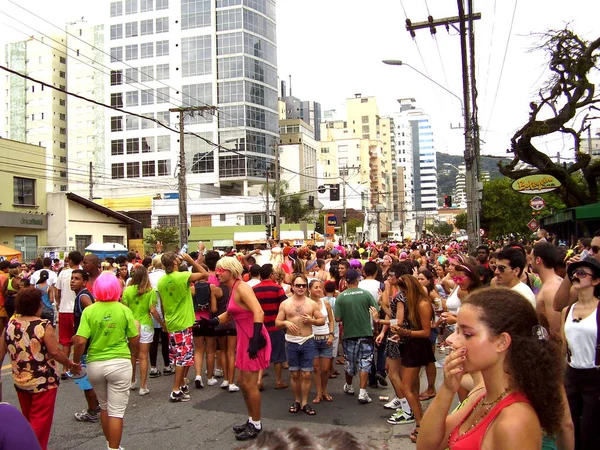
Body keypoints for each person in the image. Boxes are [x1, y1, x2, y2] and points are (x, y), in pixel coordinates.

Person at [417, 288, 564, 450]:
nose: (452, 340)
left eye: (467, 334)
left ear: (502, 342)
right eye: (456, 330)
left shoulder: (515, 422)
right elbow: (427, 445)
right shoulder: (483, 394)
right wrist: (447, 388)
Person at [0, 287, 78, 450]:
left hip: (21, 380)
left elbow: (1, 352)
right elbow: (55, 352)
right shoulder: (43, 325)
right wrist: (70, 364)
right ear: (36, 306)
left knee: (28, 419)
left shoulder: (11, 324)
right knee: (40, 424)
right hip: (44, 382)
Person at [73, 272, 140, 450]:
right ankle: (114, 448)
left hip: (95, 363)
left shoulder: (89, 310)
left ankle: (110, 444)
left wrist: (75, 362)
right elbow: (134, 338)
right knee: (117, 411)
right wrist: (134, 354)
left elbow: (80, 341)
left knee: (104, 407)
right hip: (120, 362)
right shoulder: (124, 310)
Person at [207, 257, 271, 441]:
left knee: (249, 384)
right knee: (243, 382)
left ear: (231, 271)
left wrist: (256, 338)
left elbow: (259, 312)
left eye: (221, 270)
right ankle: (252, 420)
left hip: (253, 338)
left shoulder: (242, 287)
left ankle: (256, 424)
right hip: (246, 338)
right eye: (217, 270)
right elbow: (231, 313)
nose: (217, 273)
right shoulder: (233, 288)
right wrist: (213, 321)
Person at [157, 252, 208, 402]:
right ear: (174, 262)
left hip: (172, 322)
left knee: (181, 356)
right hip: (183, 322)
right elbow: (204, 274)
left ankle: (181, 385)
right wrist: (191, 260)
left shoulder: (161, 281)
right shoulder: (182, 276)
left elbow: (162, 303)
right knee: (182, 358)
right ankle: (175, 390)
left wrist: (164, 322)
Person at [389, 275, 435, 443]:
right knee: (412, 388)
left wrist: (404, 333)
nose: (403, 294)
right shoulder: (415, 303)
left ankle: (420, 425)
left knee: (407, 387)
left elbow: (426, 332)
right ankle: (421, 421)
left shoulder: (422, 304)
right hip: (411, 345)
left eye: (404, 290)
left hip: (417, 347)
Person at [562, 256, 600, 449]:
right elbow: (564, 347)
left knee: (590, 431)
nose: (576, 276)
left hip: (595, 376)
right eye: (574, 273)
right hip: (572, 374)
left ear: (595, 280)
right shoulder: (567, 311)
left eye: (582, 273)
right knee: (570, 427)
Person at [275, 275, 325, 415]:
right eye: (298, 285)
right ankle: (297, 401)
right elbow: (277, 323)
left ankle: (305, 403)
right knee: (295, 374)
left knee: (307, 374)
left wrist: (312, 321)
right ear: (292, 286)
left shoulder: (311, 304)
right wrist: (286, 323)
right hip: (291, 342)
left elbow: (321, 320)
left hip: (308, 341)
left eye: (303, 285)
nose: (301, 288)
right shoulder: (285, 304)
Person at [334, 269, 379, 404]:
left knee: (350, 361)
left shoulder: (341, 297)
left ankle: (349, 386)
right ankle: (363, 392)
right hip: (365, 332)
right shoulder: (365, 294)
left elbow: (337, 318)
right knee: (365, 362)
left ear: (346, 281)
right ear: (357, 280)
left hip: (349, 334)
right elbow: (375, 311)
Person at [122, 266, 163, 395]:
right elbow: (153, 310)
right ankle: (143, 386)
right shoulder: (150, 291)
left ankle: (132, 381)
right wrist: (162, 323)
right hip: (146, 324)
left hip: (131, 325)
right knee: (144, 356)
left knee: (132, 355)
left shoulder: (127, 291)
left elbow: (124, 309)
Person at [71, 269, 101, 423]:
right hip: (86, 342)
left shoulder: (83, 297)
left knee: (85, 381)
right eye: (72, 278)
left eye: (76, 278)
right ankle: (96, 406)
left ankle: (92, 411)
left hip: (87, 346)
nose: (72, 281)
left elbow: (92, 316)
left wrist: (82, 336)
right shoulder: (81, 295)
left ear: (84, 282)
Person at [253, 263, 289, 391]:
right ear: (271, 274)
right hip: (275, 327)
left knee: (261, 354)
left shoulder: (254, 289)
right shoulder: (277, 288)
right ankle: (278, 381)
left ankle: (258, 380)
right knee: (278, 356)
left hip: (260, 327)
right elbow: (285, 305)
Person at [55, 250, 83, 379]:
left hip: (64, 309)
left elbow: (57, 292)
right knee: (80, 338)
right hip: (78, 309)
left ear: (70, 260)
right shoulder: (83, 273)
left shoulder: (63, 273)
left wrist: (59, 303)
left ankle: (65, 368)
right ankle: (79, 365)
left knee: (65, 341)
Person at [308, 279, 335, 404]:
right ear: (310, 290)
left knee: (325, 369)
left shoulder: (326, 303)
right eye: (315, 287)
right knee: (315, 368)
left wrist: (331, 335)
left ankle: (324, 390)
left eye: (320, 287)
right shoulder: (306, 303)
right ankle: (319, 392)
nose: (318, 289)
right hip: (312, 338)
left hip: (326, 338)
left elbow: (331, 320)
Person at [147, 256, 173, 377]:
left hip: (150, 310)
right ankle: (167, 365)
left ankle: (153, 367)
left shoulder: (148, 276)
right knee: (165, 339)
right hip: (165, 309)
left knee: (153, 340)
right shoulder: (166, 276)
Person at [531, 242, 563, 335]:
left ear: (538, 260)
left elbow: (555, 328)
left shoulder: (551, 288)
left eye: (531, 258)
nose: (530, 261)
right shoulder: (549, 284)